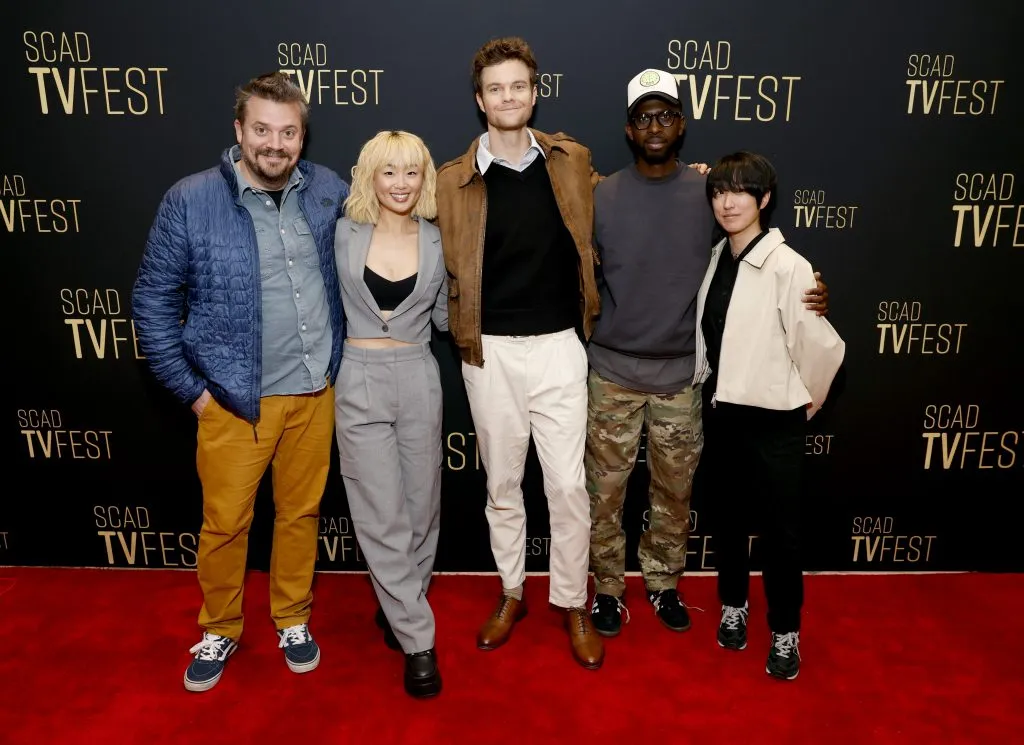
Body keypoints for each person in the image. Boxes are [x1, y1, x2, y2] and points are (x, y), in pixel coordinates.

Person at [586, 70, 829, 639]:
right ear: (629, 129)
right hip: (611, 374)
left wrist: (811, 287)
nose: (655, 126)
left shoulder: (708, 194)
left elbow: (755, 254)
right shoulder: (601, 194)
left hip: (682, 378)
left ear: (682, 125)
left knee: (674, 493)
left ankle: (663, 583)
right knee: (604, 493)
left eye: (666, 115)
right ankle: (607, 589)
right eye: (643, 117)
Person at [132, 72, 348, 692]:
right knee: (226, 524)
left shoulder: (329, 190)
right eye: (262, 130)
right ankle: (220, 627)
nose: (274, 144)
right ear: (239, 130)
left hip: (314, 393)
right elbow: (152, 302)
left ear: (302, 136)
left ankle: (293, 618)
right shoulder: (191, 199)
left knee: (301, 515)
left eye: (288, 132)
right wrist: (194, 393)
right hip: (232, 402)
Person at [434, 36, 605, 669]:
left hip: (561, 345)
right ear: (480, 100)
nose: (507, 97)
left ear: (534, 93)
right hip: (489, 353)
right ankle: (511, 591)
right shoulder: (451, 181)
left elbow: (623, 205)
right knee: (503, 483)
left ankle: (572, 599)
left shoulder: (571, 161)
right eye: (495, 88)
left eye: (518, 86)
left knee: (569, 485)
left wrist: (690, 182)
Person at [696, 150, 845, 681]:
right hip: (724, 414)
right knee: (729, 522)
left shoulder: (790, 266)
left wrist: (803, 404)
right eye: (719, 191)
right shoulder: (717, 257)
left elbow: (820, 348)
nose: (728, 202)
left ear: (764, 199)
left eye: (740, 191)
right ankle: (733, 606)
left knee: (782, 533)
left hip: (775, 420)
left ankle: (785, 630)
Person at [333, 130, 447, 698]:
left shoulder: (438, 239)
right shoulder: (343, 233)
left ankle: (399, 601)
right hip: (359, 379)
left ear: (424, 178)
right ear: (370, 176)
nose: (400, 183)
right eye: (388, 171)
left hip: (419, 378)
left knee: (421, 510)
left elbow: (449, 317)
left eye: (411, 171)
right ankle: (419, 638)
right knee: (381, 513)